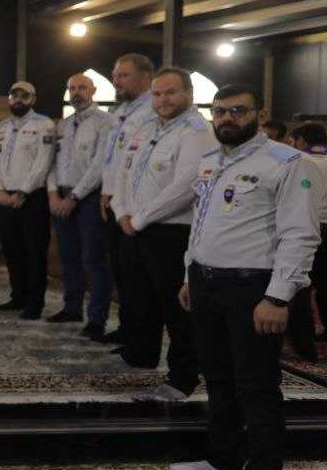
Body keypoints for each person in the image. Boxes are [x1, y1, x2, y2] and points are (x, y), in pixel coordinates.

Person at [169, 84, 321, 470]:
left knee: (257, 386)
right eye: (219, 111)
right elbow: (200, 224)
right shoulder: (210, 161)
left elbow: (300, 234)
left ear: (260, 113)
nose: (227, 118)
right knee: (218, 377)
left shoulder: (287, 162)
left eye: (238, 110)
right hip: (205, 282)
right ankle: (224, 459)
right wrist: (189, 274)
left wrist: (278, 296)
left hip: (252, 288)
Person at [114, 68, 215, 401]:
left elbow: (186, 186)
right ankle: (140, 354)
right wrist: (121, 210)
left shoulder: (198, 132)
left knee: (176, 307)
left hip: (171, 231)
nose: (162, 100)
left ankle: (183, 376)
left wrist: (139, 218)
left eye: (170, 92)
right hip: (134, 225)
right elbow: (124, 173)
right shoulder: (148, 128)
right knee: (139, 297)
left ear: (189, 93)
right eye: (157, 94)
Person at [45, 74, 115, 338]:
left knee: (93, 259)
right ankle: (72, 307)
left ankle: (96, 319)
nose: (77, 92)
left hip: (88, 197)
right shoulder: (63, 124)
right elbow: (51, 162)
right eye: (72, 88)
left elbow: (100, 165)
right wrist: (53, 193)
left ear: (93, 90)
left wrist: (74, 197)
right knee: (68, 255)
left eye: (82, 87)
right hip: (62, 195)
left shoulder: (106, 122)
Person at [100, 53, 157, 344]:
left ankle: (138, 335)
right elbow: (114, 157)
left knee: (137, 277)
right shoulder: (122, 111)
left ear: (145, 77)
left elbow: (136, 164)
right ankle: (127, 328)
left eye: (123, 75)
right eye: (115, 75)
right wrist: (106, 191)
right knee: (121, 271)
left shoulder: (152, 111)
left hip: (135, 204)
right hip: (115, 200)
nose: (116, 81)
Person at [0, 81, 55, 319]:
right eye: (13, 95)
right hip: (5, 197)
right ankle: (18, 296)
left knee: (34, 251)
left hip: (32, 198)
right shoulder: (2, 127)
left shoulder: (44, 124)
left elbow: (43, 162)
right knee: (12, 250)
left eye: (24, 96)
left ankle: (34, 304)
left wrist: (23, 192)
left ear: (33, 99)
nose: (18, 99)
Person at [288, 123, 327, 359]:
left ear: (301, 140)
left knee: (300, 289)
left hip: (308, 228)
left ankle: (305, 346)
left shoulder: (297, 162)